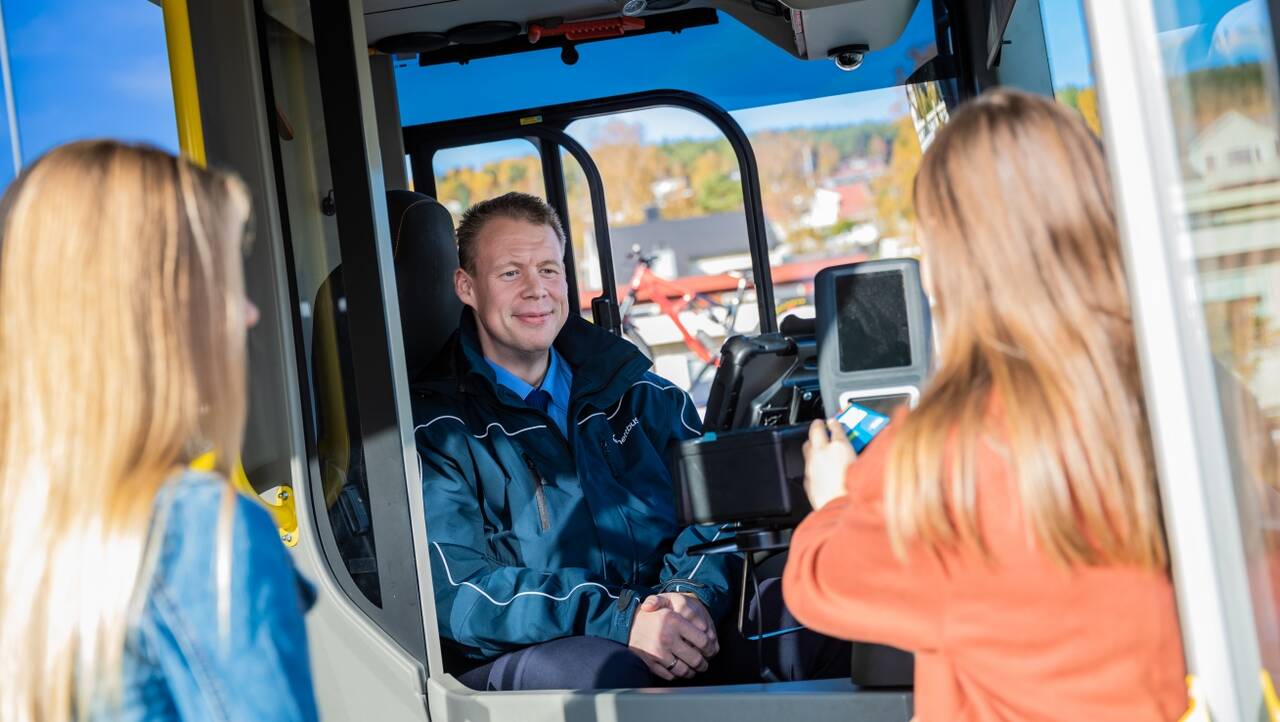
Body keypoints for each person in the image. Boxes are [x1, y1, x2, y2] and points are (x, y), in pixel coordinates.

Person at [783, 89, 1188, 721]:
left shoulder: (946, 454)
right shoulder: (1195, 399)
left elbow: (820, 583)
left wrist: (836, 502)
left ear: (950, 265)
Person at [414, 193, 847, 690]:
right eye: (510, 273)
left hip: (667, 614)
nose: (538, 291)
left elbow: (716, 513)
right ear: (466, 287)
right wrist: (625, 621)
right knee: (607, 674)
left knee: (821, 606)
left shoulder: (639, 392)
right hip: (544, 647)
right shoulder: (438, 431)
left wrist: (690, 596)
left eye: (550, 270)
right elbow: (461, 594)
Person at [0, 142, 318, 721]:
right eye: (220, 279)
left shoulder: (27, 519)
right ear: (151, 310)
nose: (248, 312)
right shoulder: (199, 532)